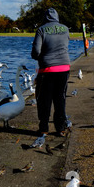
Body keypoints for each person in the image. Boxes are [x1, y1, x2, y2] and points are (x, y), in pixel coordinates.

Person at [31, 8, 70, 143]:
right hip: (64, 68)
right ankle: (60, 128)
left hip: (47, 70)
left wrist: (38, 56)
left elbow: (36, 51)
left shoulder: (41, 30)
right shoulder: (65, 29)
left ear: (45, 17)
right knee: (60, 98)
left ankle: (44, 129)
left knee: (44, 100)